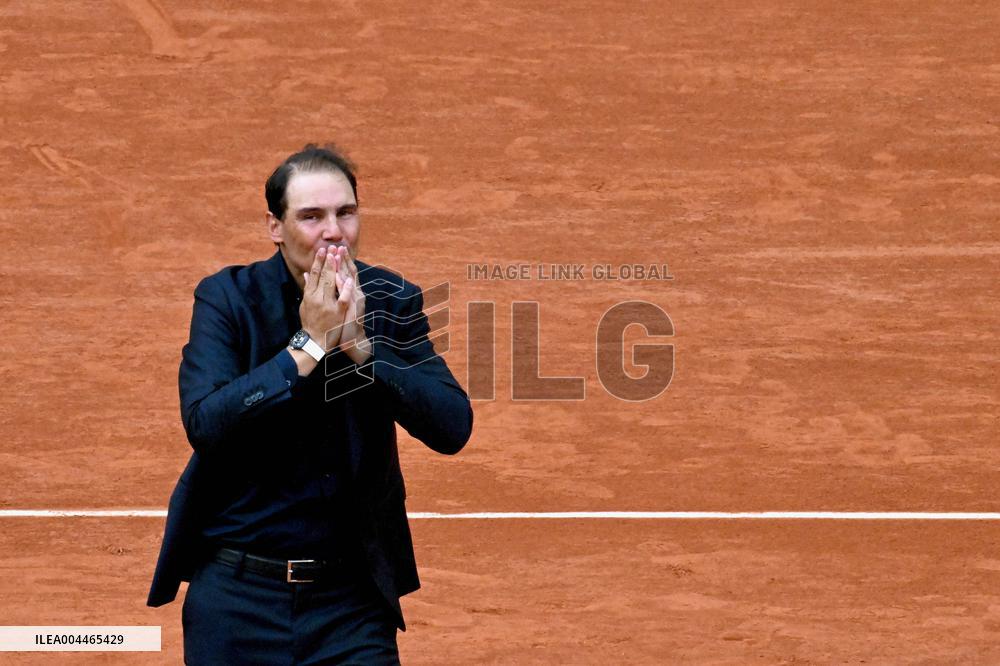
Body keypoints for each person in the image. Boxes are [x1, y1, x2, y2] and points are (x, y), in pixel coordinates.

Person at [147, 144, 473, 664]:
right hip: (237, 599)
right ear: (275, 226)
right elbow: (206, 423)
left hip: (350, 606)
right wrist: (310, 347)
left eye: (345, 212)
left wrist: (362, 351)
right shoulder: (227, 299)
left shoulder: (391, 301)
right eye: (311, 216)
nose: (333, 231)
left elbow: (453, 427)